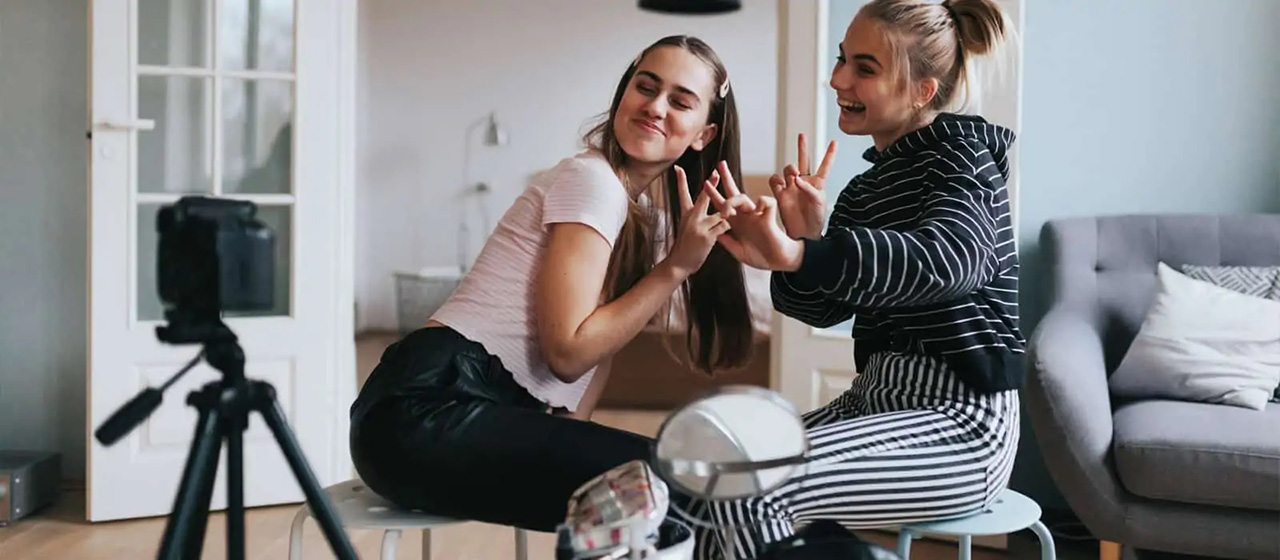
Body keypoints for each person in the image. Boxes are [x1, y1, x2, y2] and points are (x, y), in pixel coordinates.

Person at [346, 35, 755, 534]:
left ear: (703, 134)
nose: (654, 106)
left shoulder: (640, 216)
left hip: (462, 412)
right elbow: (568, 354)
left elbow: (602, 349)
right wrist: (673, 270)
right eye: (645, 87)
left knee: (677, 489)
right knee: (678, 488)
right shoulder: (592, 180)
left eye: (680, 100)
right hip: (425, 405)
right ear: (623, 94)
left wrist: (799, 236)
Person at [688, 0, 1024, 557]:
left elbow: (947, 263)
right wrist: (805, 238)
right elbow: (824, 311)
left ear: (922, 90)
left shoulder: (963, 159)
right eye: (843, 59)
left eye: (865, 68)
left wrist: (802, 255)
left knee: (746, 491)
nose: (837, 78)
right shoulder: (866, 190)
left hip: (961, 422)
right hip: (874, 402)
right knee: (707, 476)